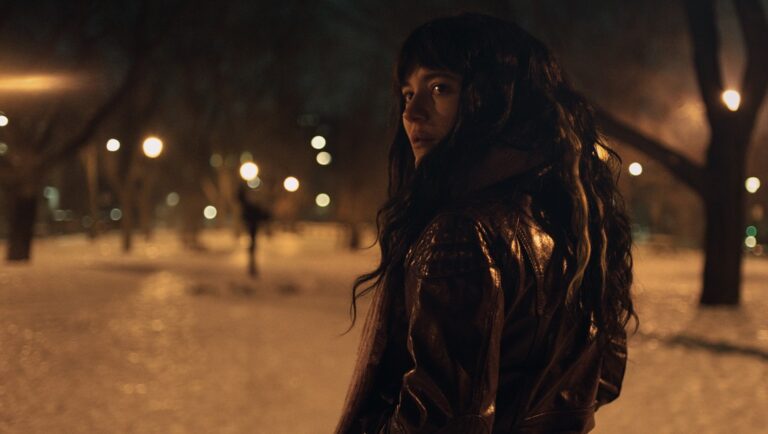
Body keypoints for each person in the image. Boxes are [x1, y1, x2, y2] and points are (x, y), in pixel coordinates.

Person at [335, 13, 636, 434]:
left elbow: (441, 424)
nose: (412, 114)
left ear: (494, 99)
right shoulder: (575, 223)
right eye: (407, 94)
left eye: (440, 88)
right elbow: (600, 380)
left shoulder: (463, 232)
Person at [237, 183, 271, 277]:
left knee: (252, 247)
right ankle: (252, 266)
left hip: (253, 226)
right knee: (252, 246)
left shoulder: (253, 206)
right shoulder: (252, 206)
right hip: (252, 226)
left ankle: (252, 266)